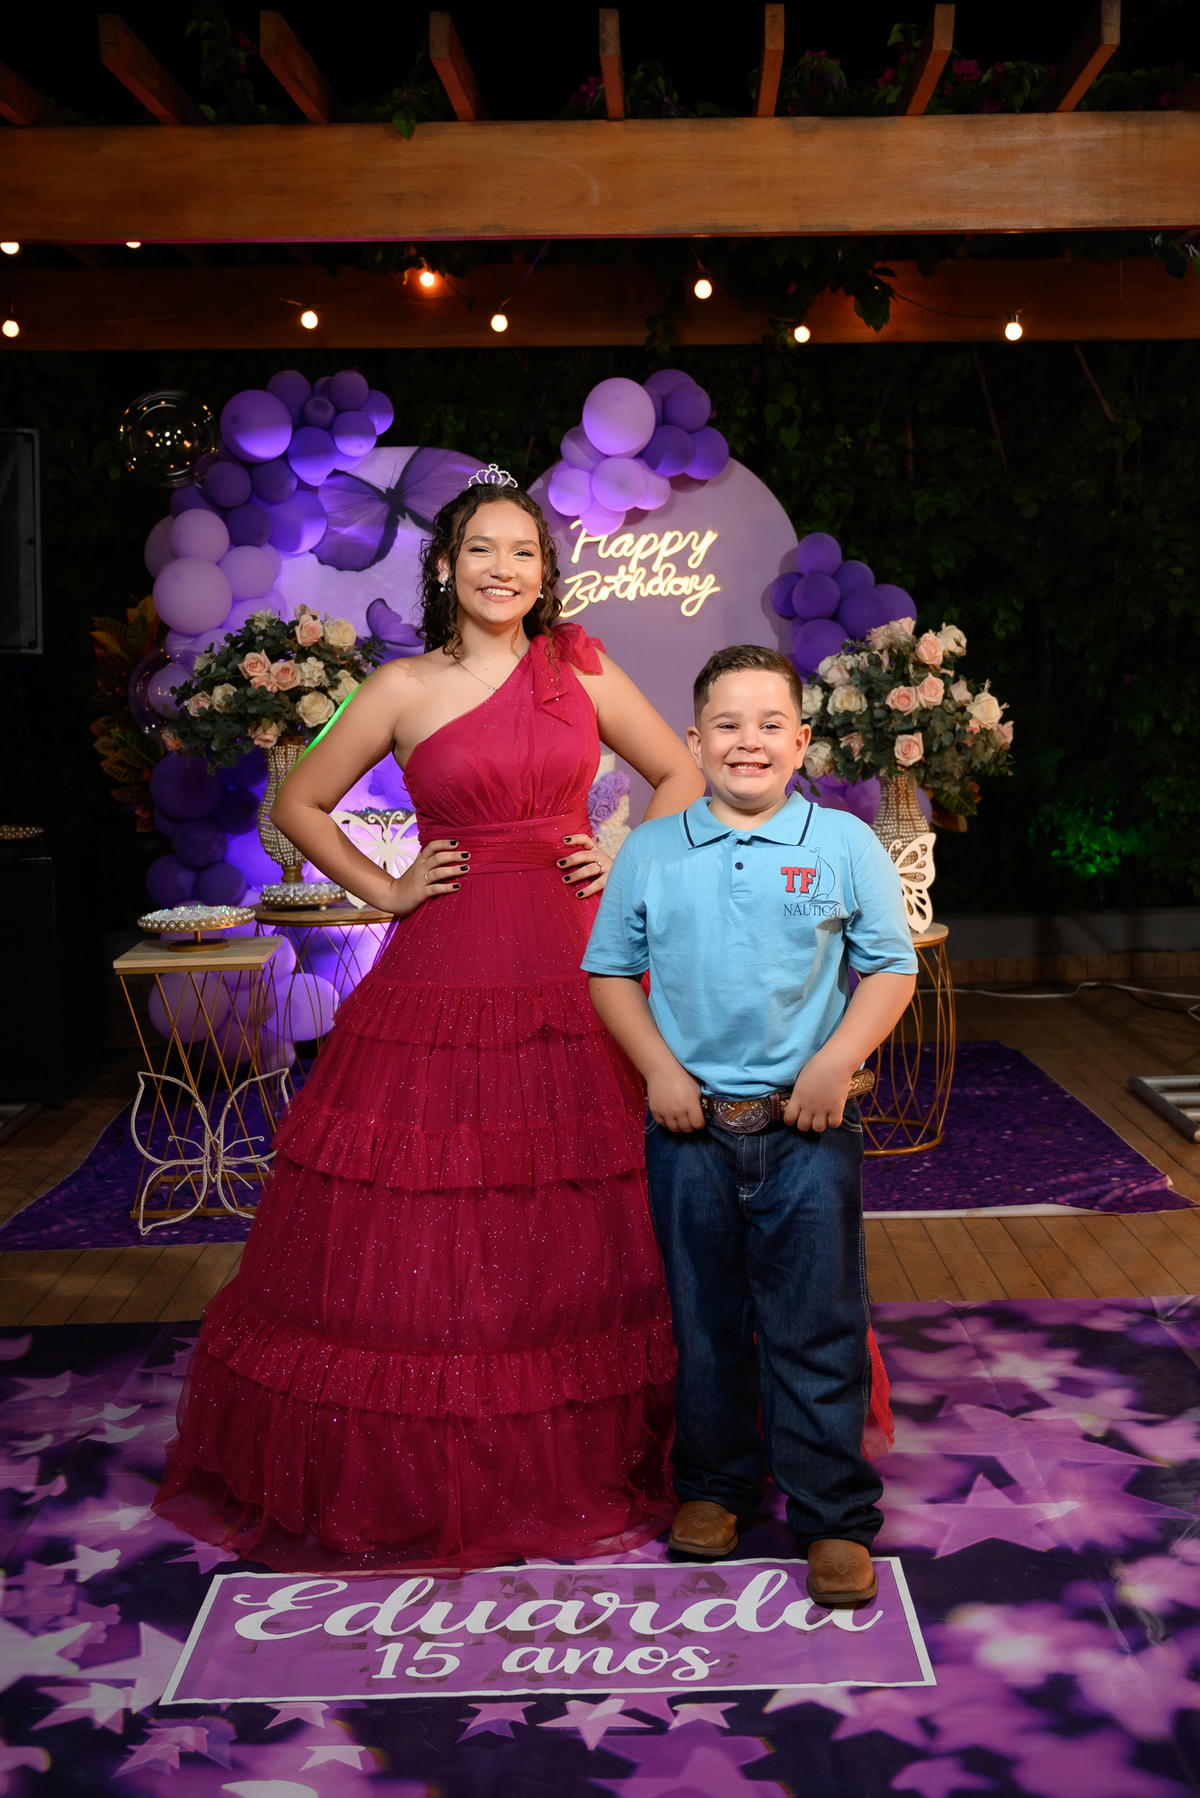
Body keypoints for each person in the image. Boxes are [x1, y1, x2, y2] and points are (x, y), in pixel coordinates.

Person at [154, 472, 705, 1572]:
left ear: (544, 574)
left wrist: (628, 854)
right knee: (444, 1188)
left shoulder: (578, 666)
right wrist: (390, 888)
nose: (506, 568)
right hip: (446, 958)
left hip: (574, 955)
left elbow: (680, 772)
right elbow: (297, 802)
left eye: (525, 552)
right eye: (483, 549)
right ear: (446, 566)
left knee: (590, 1180)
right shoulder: (402, 684)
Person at [584, 643, 916, 1607]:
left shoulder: (842, 843)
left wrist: (834, 1061)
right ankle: (715, 1488)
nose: (749, 741)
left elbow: (890, 967)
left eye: (771, 724)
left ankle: (833, 1515)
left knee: (817, 1322)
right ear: (694, 742)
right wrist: (659, 1070)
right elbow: (610, 971)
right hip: (689, 1130)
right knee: (704, 1320)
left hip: (808, 1131)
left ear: (801, 741)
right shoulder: (652, 851)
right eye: (726, 725)